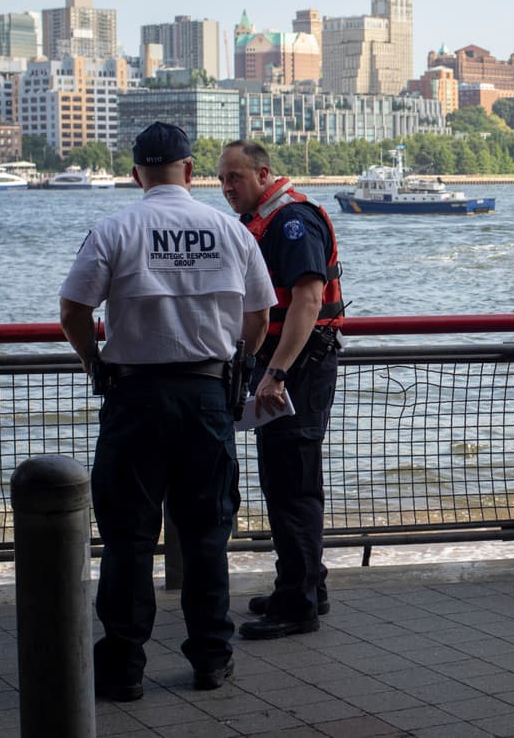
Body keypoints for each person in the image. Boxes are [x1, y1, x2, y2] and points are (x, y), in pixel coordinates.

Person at [59, 123, 276, 700]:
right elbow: (259, 317)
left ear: (137, 175)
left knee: (128, 536)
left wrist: (93, 360)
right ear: (189, 170)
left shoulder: (114, 229)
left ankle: (124, 667)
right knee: (206, 534)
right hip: (207, 398)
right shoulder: (229, 232)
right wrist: (242, 361)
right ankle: (211, 657)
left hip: (134, 400)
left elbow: (73, 307)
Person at [217, 139, 345, 640]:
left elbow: (308, 302)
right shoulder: (268, 220)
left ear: (264, 175)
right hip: (289, 366)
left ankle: (298, 605)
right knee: (286, 477)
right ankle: (307, 584)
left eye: (236, 178)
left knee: (291, 484)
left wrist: (277, 373)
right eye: (222, 178)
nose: (227, 188)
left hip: (298, 368)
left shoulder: (292, 222)